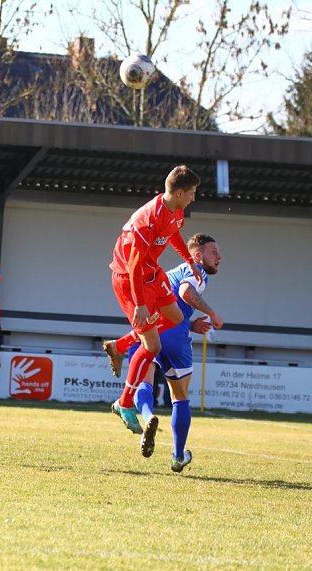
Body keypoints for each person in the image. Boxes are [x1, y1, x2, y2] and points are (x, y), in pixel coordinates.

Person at [101, 166, 203, 453]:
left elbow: (172, 236)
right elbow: (132, 265)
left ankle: (121, 344)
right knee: (153, 345)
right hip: (128, 278)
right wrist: (142, 306)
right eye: (192, 193)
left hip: (151, 271)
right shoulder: (148, 219)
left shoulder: (175, 211)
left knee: (176, 317)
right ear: (180, 192)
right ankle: (124, 403)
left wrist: (189, 260)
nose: (194, 198)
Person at [126, 233, 224, 473]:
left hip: (147, 327)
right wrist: (212, 313)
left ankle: (148, 416)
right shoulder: (197, 272)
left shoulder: (172, 272)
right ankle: (178, 456)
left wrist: (191, 324)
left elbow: (169, 302)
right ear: (198, 255)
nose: (219, 257)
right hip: (174, 336)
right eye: (214, 252)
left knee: (144, 381)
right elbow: (185, 292)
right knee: (179, 396)